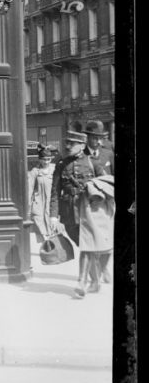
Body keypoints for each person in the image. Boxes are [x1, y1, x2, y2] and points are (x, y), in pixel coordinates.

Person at [51, 130, 96, 294]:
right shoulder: (61, 164)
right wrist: (53, 217)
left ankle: (82, 282)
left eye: (72, 143)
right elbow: (55, 192)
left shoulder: (93, 162)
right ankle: (95, 280)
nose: (67, 146)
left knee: (86, 246)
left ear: (82, 145)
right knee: (84, 246)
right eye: (67, 142)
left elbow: (106, 186)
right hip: (69, 214)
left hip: (88, 212)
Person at [82, 120, 114, 282]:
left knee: (109, 239)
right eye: (94, 138)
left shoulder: (108, 153)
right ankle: (95, 275)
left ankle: (103, 267)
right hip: (90, 203)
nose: (97, 141)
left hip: (108, 202)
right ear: (87, 138)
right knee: (92, 239)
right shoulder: (81, 155)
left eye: (100, 138)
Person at [74, 174, 115, 297]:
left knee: (105, 247)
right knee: (87, 245)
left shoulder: (105, 155)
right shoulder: (67, 160)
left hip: (103, 206)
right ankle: (84, 282)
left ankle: (96, 278)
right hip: (83, 206)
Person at [26, 144, 57, 243]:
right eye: (44, 159)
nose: (46, 162)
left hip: (51, 203)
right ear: (39, 159)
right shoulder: (35, 171)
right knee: (40, 226)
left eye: (48, 159)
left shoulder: (55, 169)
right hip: (38, 203)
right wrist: (28, 206)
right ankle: (45, 246)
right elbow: (29, 189)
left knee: (52, 227)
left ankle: (51, 248)